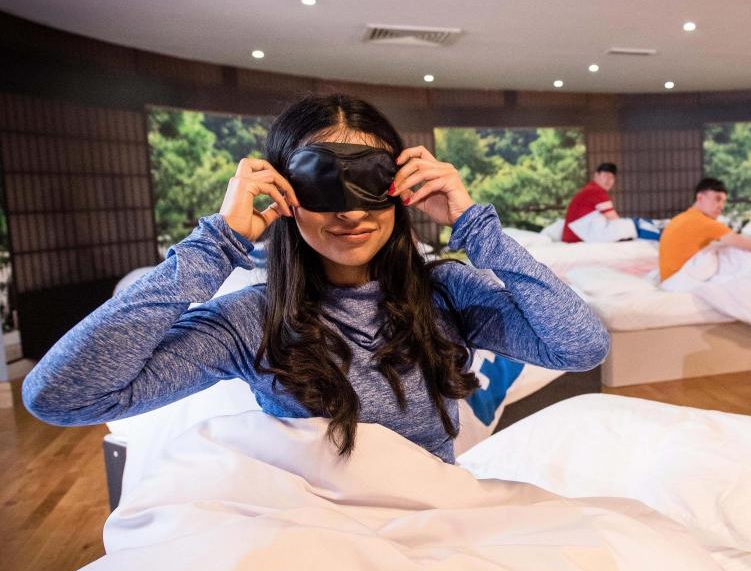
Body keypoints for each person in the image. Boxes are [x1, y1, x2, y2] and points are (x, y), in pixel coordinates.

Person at [22, 94, 609, 463]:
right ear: (284, 193)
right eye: (322, 184)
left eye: (370, 181)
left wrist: (475, 227)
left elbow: (580, 346)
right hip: (315, 545)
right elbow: (61, 396)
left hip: (434, 524)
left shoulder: (448, 295)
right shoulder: (250, 322)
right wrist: (217, 244)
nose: (350, 212)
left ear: (401, 188)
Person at [659, 178, 751, 281]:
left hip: (669, 278)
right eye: (717, 199)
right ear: (700, 197)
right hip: (680, 280)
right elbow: (746, 244)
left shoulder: (683, 217)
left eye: (723, 201)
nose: (721, 206)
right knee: (735, 252)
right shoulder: (704, 222)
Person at [562, 162, 619, 243]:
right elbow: (614, 219)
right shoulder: (596, 191)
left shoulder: (590, 189)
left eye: (612, 177)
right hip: (578, 239)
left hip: (572, 237)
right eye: (605, 176)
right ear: (596, 175)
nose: (608, 180)